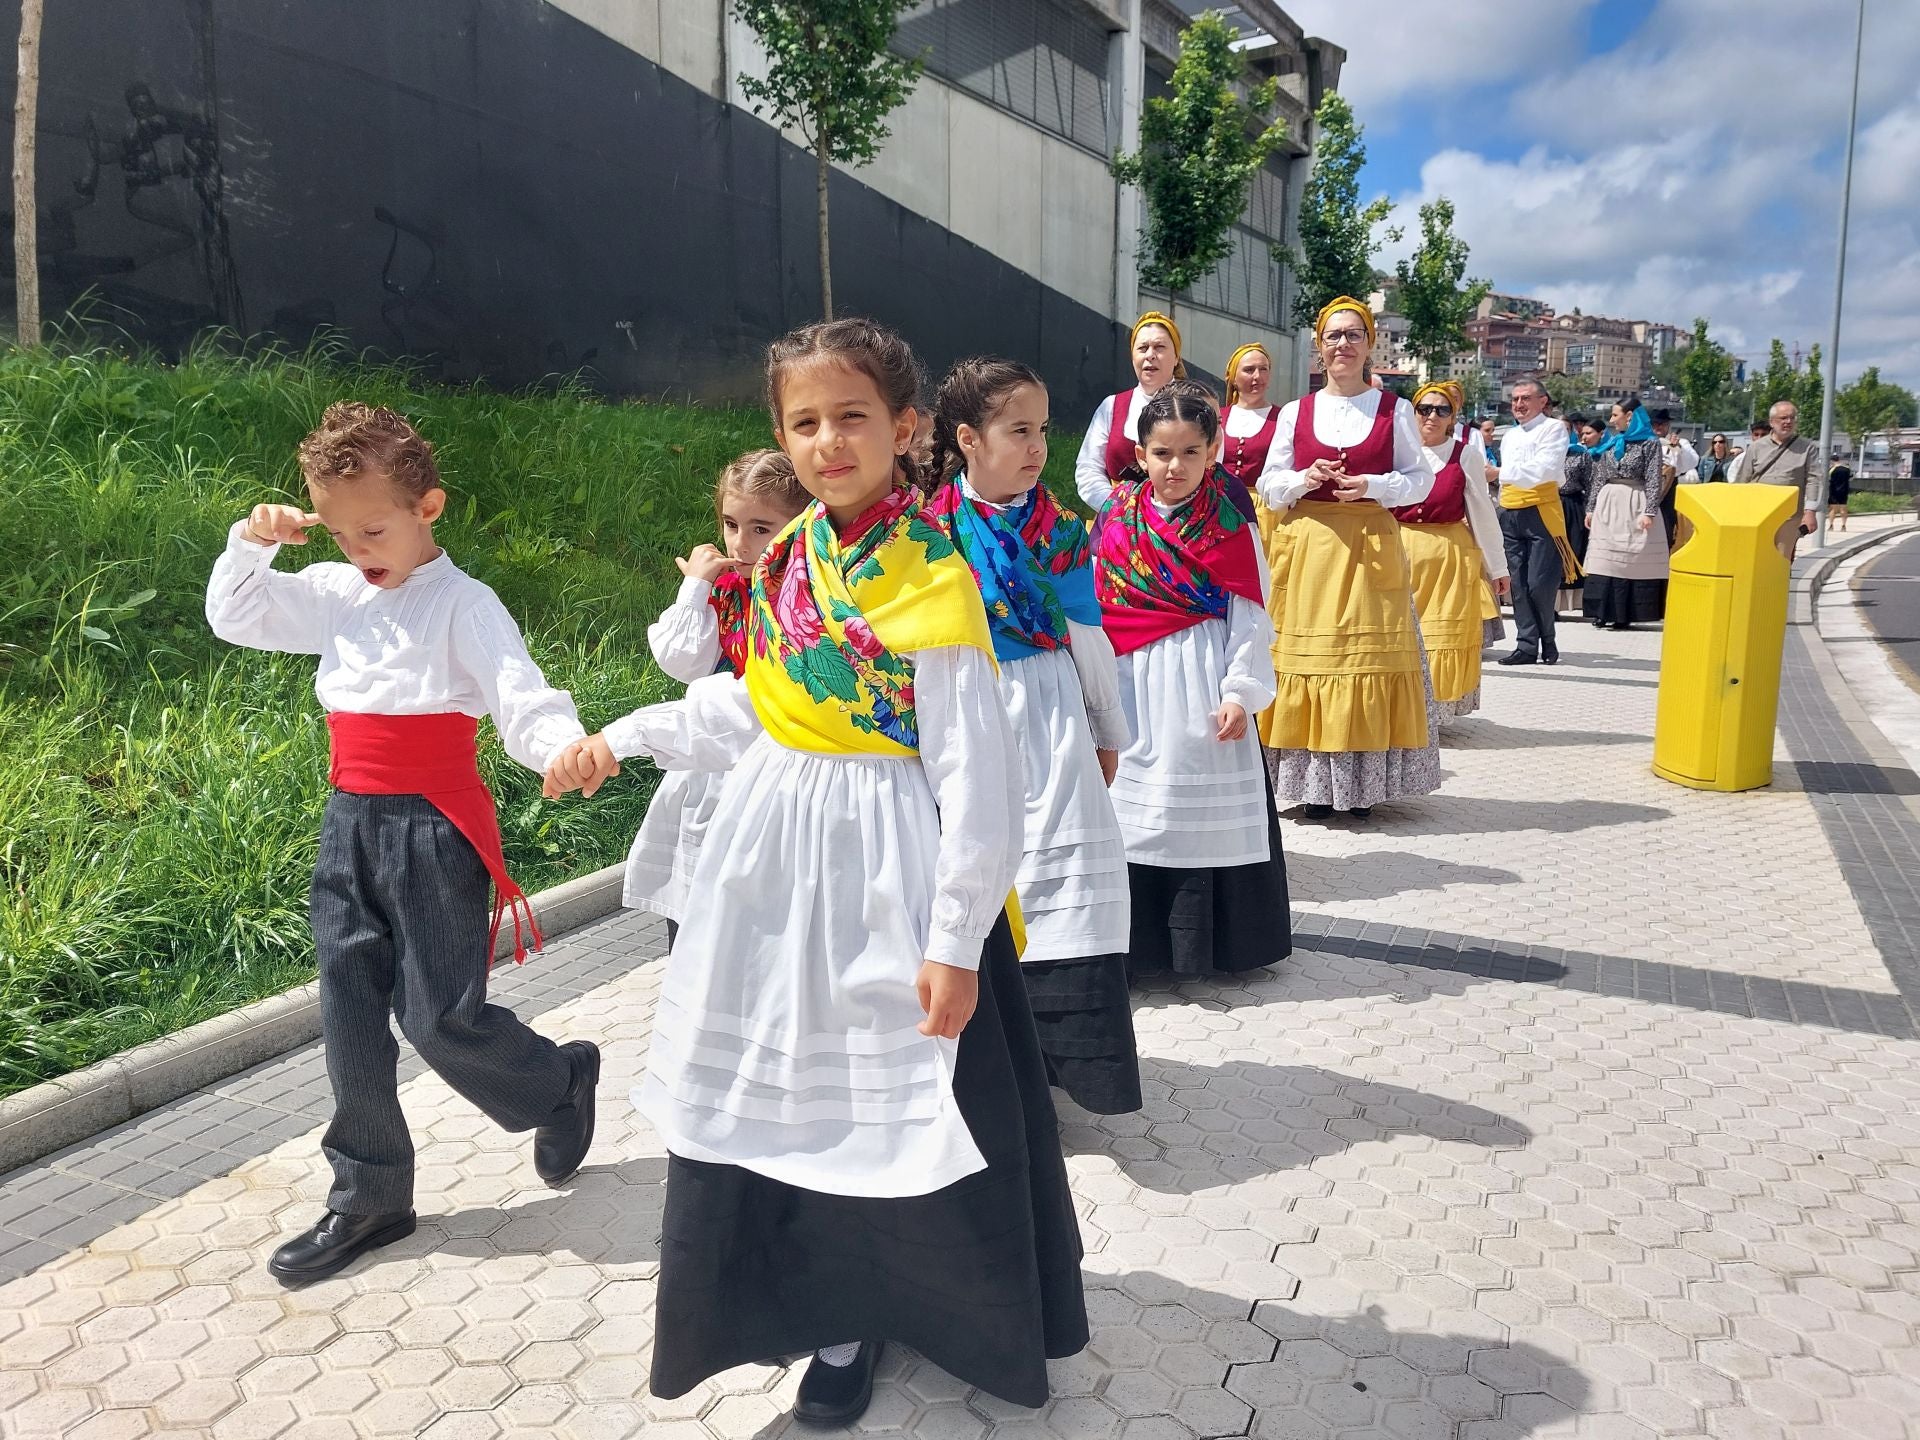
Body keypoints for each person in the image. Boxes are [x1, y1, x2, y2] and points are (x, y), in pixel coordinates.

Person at [549, 319, 1087, 1426]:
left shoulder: (932, 574)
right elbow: (757, 706)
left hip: (891, 862)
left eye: (852, 417)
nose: (828, 441)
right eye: (805, 421)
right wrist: (630, 734)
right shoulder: (792, 558)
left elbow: (977, 772)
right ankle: (818, 1305)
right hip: (773, 865)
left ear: (907, 427)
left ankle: (922, 1307)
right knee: (792, 1095)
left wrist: (954, 941)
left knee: (902, 1093)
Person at [205, 403, 602, 1284]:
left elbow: (520, 693)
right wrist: (252, 541)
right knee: (348, 1009)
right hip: (348, 820)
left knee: (438, 1017)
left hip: (434, 826)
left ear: (430, 508)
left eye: (374, 528)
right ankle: (369, 1193)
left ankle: (558, 1081)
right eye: (339, 533)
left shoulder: (464, 603)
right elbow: (236, 615)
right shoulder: (339, 596)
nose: (358, 549)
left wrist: (558, 750)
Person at [925, 355, 1141, 1116]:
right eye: (1018, 430)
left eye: (1043, 430)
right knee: (978, 880)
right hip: (963, 712)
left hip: (1050, 719)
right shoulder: (929, 532)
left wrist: (1106, 724)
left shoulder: (1058, 530)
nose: (1036, 447)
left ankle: (1072, 1071)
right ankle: (987, 1073)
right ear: (968, 439)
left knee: (1064, 884)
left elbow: (1088, 633)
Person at [1094, 383, 1290, 974]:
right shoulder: (1115, 515)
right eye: (1161, 453)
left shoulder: (1231, 523)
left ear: (1213, 453)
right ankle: (1130, 948)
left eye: (1189, 453)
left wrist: (1239, 692)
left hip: (1200, 676)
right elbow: (1096, 602)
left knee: (1190, 811)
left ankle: (1203, 951)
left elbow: (1251, 614)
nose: (1174, 466)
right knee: (1129, 813)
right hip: (1129, 677)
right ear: (1140, 451)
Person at [1254, 297, 1440, 818]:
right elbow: (1269, 484)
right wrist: (1302, 479)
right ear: (1319, 346)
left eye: (1353, 335)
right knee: (1307, 661)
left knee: (1364, 662)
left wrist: (1373, 484)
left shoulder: (1396, 410)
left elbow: (1420, 478)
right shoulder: (1296, 411)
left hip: (1369, 549)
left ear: (1370, 344)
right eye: (1333, 336)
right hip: (1310, 549)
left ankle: (1360, 786)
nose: (1343, 344)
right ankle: (1311, 783)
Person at [622, 450, 810, 949]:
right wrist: (694, 588)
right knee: (693, 906)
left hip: (775, 765)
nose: (740, 542)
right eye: (731, 524)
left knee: (755, 916)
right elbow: (679, 660)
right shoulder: (724, 591)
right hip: (709, 762)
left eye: (761, 528)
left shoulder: (807, 592)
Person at [1397, 382, 1511, 719]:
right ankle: (1402, 709)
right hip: (1397, 552)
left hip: (1448, 557)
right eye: (1424, 409)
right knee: (1399, 633)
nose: (1432, 416)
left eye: (1442, 410)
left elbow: (1482, 513)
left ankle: (1434, 714)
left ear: (1452, 418)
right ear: (1413, 413)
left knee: (1438, 634)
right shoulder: (1398, 452)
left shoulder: (1465, 455)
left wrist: (1498, 567)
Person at [1488, 378, 1576, 666]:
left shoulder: (1553, 429)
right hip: (1510, 509)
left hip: (1541, 510)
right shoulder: (1511, 436)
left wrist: (1501, 472)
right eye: (1514, 399)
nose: (1519, 405)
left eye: (1525, 398)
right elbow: (1515, 477)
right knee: (1518, 584)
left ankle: (1547, 639)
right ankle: (1526, 645)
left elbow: (1545, 469)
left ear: (1543, 401)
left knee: (1539, 581)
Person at [1074, 310, 1184, 506]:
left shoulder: (1195, 405)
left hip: (1181, 524)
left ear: (1176, 357)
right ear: (1132, 357)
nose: (1150, 355)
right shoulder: (1111, 406)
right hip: (1117, 521)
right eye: (1142, 348)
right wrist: (1117, 508)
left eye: (1159, 347)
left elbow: (1210, 467)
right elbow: (1088, 468)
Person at [1581, 396, 1668, 629]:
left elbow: (1652, 477)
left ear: (1629, 417)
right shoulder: (1611, 444)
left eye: (1615, 415)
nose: (1611, 420)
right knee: (1604, 559)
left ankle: (1624, 613)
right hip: (1609, 502)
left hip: (1634, 501)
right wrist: (1591, 507)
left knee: (1631, 558)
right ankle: (1602, 611)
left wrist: (1649, 511)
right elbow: (1599, 477)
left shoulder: (1650, 443)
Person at [1731, 400, 1821, 552]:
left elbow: (1814, 480)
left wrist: (1810, 512)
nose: (1788, 422)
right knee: (1754, 556)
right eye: (1783, 418)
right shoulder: (1756, 447)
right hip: (1757, 514)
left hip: (1789, 517)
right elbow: (1743, 479)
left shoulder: (1807, 448)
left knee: (1781, 559)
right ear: (1772, 422)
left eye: (1792, 418)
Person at [1219, 341, 1282, 499]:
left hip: (1264, 507)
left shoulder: (1282, 417)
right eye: (1249, 370)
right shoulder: (1218, 416)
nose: (1257, 376)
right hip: (1220, 504)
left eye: (1263, 369)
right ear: (1232, 377)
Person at [1557, 415, 1604, 614]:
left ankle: (1566, 603)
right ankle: (1547, 605)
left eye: (1564, 431)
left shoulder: (1580, 454)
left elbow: (1591, 483)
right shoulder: (1542, 453)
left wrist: (1590, 509)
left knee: (1572, 550)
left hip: (1572, 505)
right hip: (1546, 504)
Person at [1650, 408, 1697, 546]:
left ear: (1668, 426)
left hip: (1669, 484)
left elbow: (1692, 462)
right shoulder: (1644, 442)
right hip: (1647, 483)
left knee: (1667, 520)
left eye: (1662, 424)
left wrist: (1678, 448)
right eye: (1655, 424)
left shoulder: (1680, 442)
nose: (1659, 427)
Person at [1828, 458, 1853, 532]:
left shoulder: (1832, 469)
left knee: (1832, 509)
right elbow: (1851, 478)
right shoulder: (1847, 469)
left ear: (1832, 461)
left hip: (1833, 491)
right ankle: (1843, 525)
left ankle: (1831, 525)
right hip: (1844, 491)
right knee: (1843, 509)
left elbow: (1828, 479)